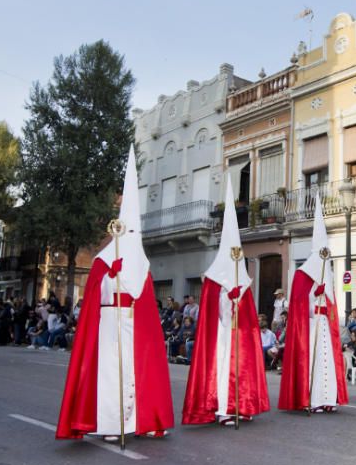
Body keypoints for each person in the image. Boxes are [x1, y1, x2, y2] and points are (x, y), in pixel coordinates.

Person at [57, 146, 174, 442]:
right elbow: (96, 294)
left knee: (137, 371)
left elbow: (145, 301)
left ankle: (140, 419)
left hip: (135, 323)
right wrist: (111, 275)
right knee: (109, 371)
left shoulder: (142, 263)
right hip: (109, 322)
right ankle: (110, 423)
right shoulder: (103, 260)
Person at [182, 183, 270, 427]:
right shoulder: (215, 281)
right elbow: (217, 313)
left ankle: (241, 405)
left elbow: (249, 314)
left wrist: (238, 297)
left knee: (241, 370)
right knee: (223, 370)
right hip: (222, 334)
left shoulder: (241, 276)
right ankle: (223, 408)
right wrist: (228, 298)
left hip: (240, 333)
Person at [278, 196, 348, 412]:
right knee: (314, 361)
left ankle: (328, 399)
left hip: (325, 323)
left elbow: (332, 302)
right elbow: (299, 305)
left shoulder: (327, 273)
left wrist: (326, 301)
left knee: (327, 359)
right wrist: (312, 294)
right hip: (310, 326)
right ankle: (313, 399)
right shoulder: (302, 275)